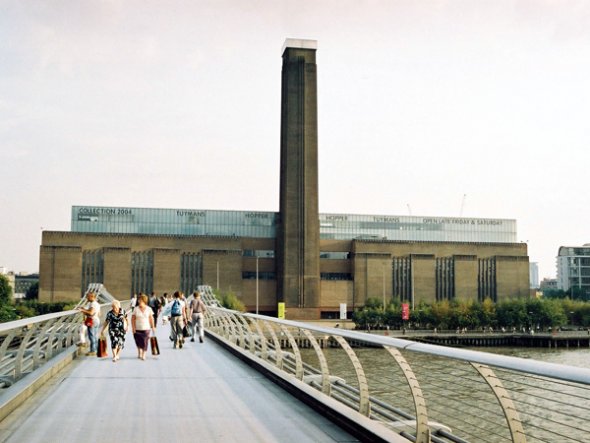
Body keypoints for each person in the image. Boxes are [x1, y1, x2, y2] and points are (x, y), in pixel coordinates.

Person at [132, 294, 155, 360]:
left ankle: (144, 354)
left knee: (145, 342)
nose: (139, 301)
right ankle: (139, 352)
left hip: (146, 328)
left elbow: (151, 318)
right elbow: (133, 319)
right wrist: (133, 328)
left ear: (144, 301)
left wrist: (153, 327)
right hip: (137, 328)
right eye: (139, 300)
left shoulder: (149, 309)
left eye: (140, 300)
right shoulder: (136, 309)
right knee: (138, 342)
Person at [77, 292, 101, 356]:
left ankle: (93, 351)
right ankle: (96, 349)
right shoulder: (97, 304)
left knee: (92, 336)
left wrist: (82, 310)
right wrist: (84, 309)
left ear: (91, 297)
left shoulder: (93, 304)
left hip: (92, 321)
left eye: (87, 297)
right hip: (96, 320)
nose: (86, 298)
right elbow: (99, 314)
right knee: (95, 335)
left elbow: (91, 313)